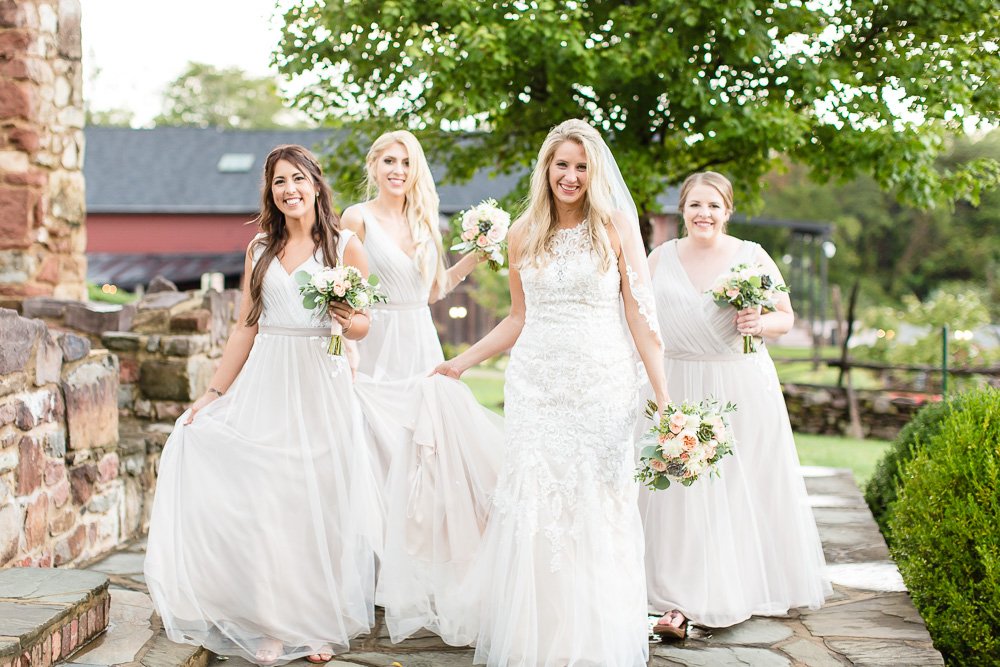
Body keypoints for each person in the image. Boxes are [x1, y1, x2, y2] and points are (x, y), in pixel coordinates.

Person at [433, 119, 670, 667]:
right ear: (545, 169)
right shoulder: (522, 233)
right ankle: (536, 641)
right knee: (535, 505)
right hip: (536, 386)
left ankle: (596, 642)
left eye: (581, 166)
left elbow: (640, 312)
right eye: (561, 165)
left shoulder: (613, 224)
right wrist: (462, 363)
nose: (570, 176)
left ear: (595, 172)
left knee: (597, 504)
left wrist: (665, 396)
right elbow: (518, 317)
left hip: (601, 384)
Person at [144, 145, 381, 666]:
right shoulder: (260, 250)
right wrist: (212, 393)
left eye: (298, 179)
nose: (289, 189)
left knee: (317, 505)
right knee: (268, 505)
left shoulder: (346, 247)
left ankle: (316, 622)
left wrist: (347, 315)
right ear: (270, 192)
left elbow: (365, 322)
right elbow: (245, 327)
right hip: (269, 379)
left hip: (321, 382)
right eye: (279, 182)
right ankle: (272, 623)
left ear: (317, 185)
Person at [640, 171, 830, 639]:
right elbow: (637, 316)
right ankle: (674, 595)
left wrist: (758, 321)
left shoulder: (752, 257)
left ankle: (736, 584)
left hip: (740, 386)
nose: (703, 214)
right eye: (694, 205)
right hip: (676, 380)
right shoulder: (659, 257)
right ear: (682, 210)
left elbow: (786, 318)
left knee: (736, 486)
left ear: (728, 211)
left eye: (713, 206)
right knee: (679, 489)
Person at [337, 130, 505, 645]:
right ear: (374, 165)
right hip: (376, 346)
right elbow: (346, 293)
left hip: (419, 343)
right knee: (372, 454)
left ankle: (417, 573)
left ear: (415, 171)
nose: (397, 169)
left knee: (422, 458)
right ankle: (370, 577)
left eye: (406, 162)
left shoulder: (426, 220)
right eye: (389, 160)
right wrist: (348, 350)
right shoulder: (356, 219)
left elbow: (433, 290)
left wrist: (478, 254)